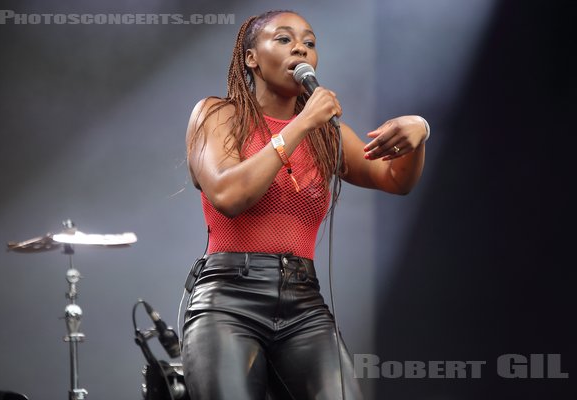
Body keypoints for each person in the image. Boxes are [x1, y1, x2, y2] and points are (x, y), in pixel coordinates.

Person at [182, 9, 429, 400]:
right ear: (251, 58)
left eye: (310, 43)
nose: (300, 47)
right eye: (283, 39)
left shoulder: (327, 135)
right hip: (229, 300)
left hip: (303, 301)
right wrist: (300, 125)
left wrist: (418, 132)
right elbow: (229, 196)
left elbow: (396, 180)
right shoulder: (219, 114)